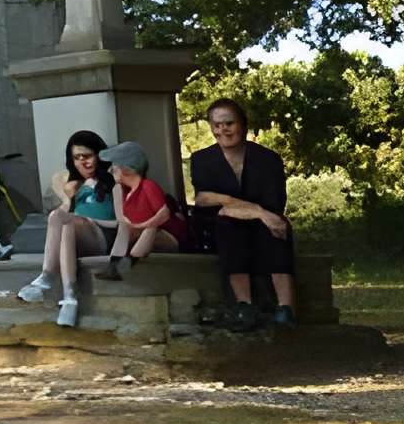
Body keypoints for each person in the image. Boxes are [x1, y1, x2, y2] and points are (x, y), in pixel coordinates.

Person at [187, 96, 297, 328]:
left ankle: (286, 308)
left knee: (276, 227)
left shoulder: (268, 159)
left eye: (229, 123)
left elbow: (274, 203)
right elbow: (204, 198)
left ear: (243, 125)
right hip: (219, 223)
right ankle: (244, 306)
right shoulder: (202, 160)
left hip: (262, 221)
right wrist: (255, 210)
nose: (223, 130)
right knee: (229, 226)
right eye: (216, 125)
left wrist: (259, 214)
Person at [16, 129, 119, 327]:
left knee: (68, 222)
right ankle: (64, 292)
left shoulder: (112, 179)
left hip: (104, 235)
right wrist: (68, 197)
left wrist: (90, 220)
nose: (83, 162)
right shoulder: (76, 185)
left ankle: (52, 282)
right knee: (58, 217)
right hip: (76, 233)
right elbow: (62, 213)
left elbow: (123, 220)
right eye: (77, 158)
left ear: (99, 155)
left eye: (87, 156)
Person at [103, 140, 184, 275]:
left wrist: (142, 225)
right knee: (126, 228)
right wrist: (117, 192)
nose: (110, 171)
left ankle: (126, 266)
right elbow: (122, 221)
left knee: (150, 227)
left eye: (113, 167)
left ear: (126, 169)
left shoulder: (148, 186)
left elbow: (164, 214)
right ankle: (113, 267)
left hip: (166, 236)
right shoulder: (122, 191)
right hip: (139, 235)